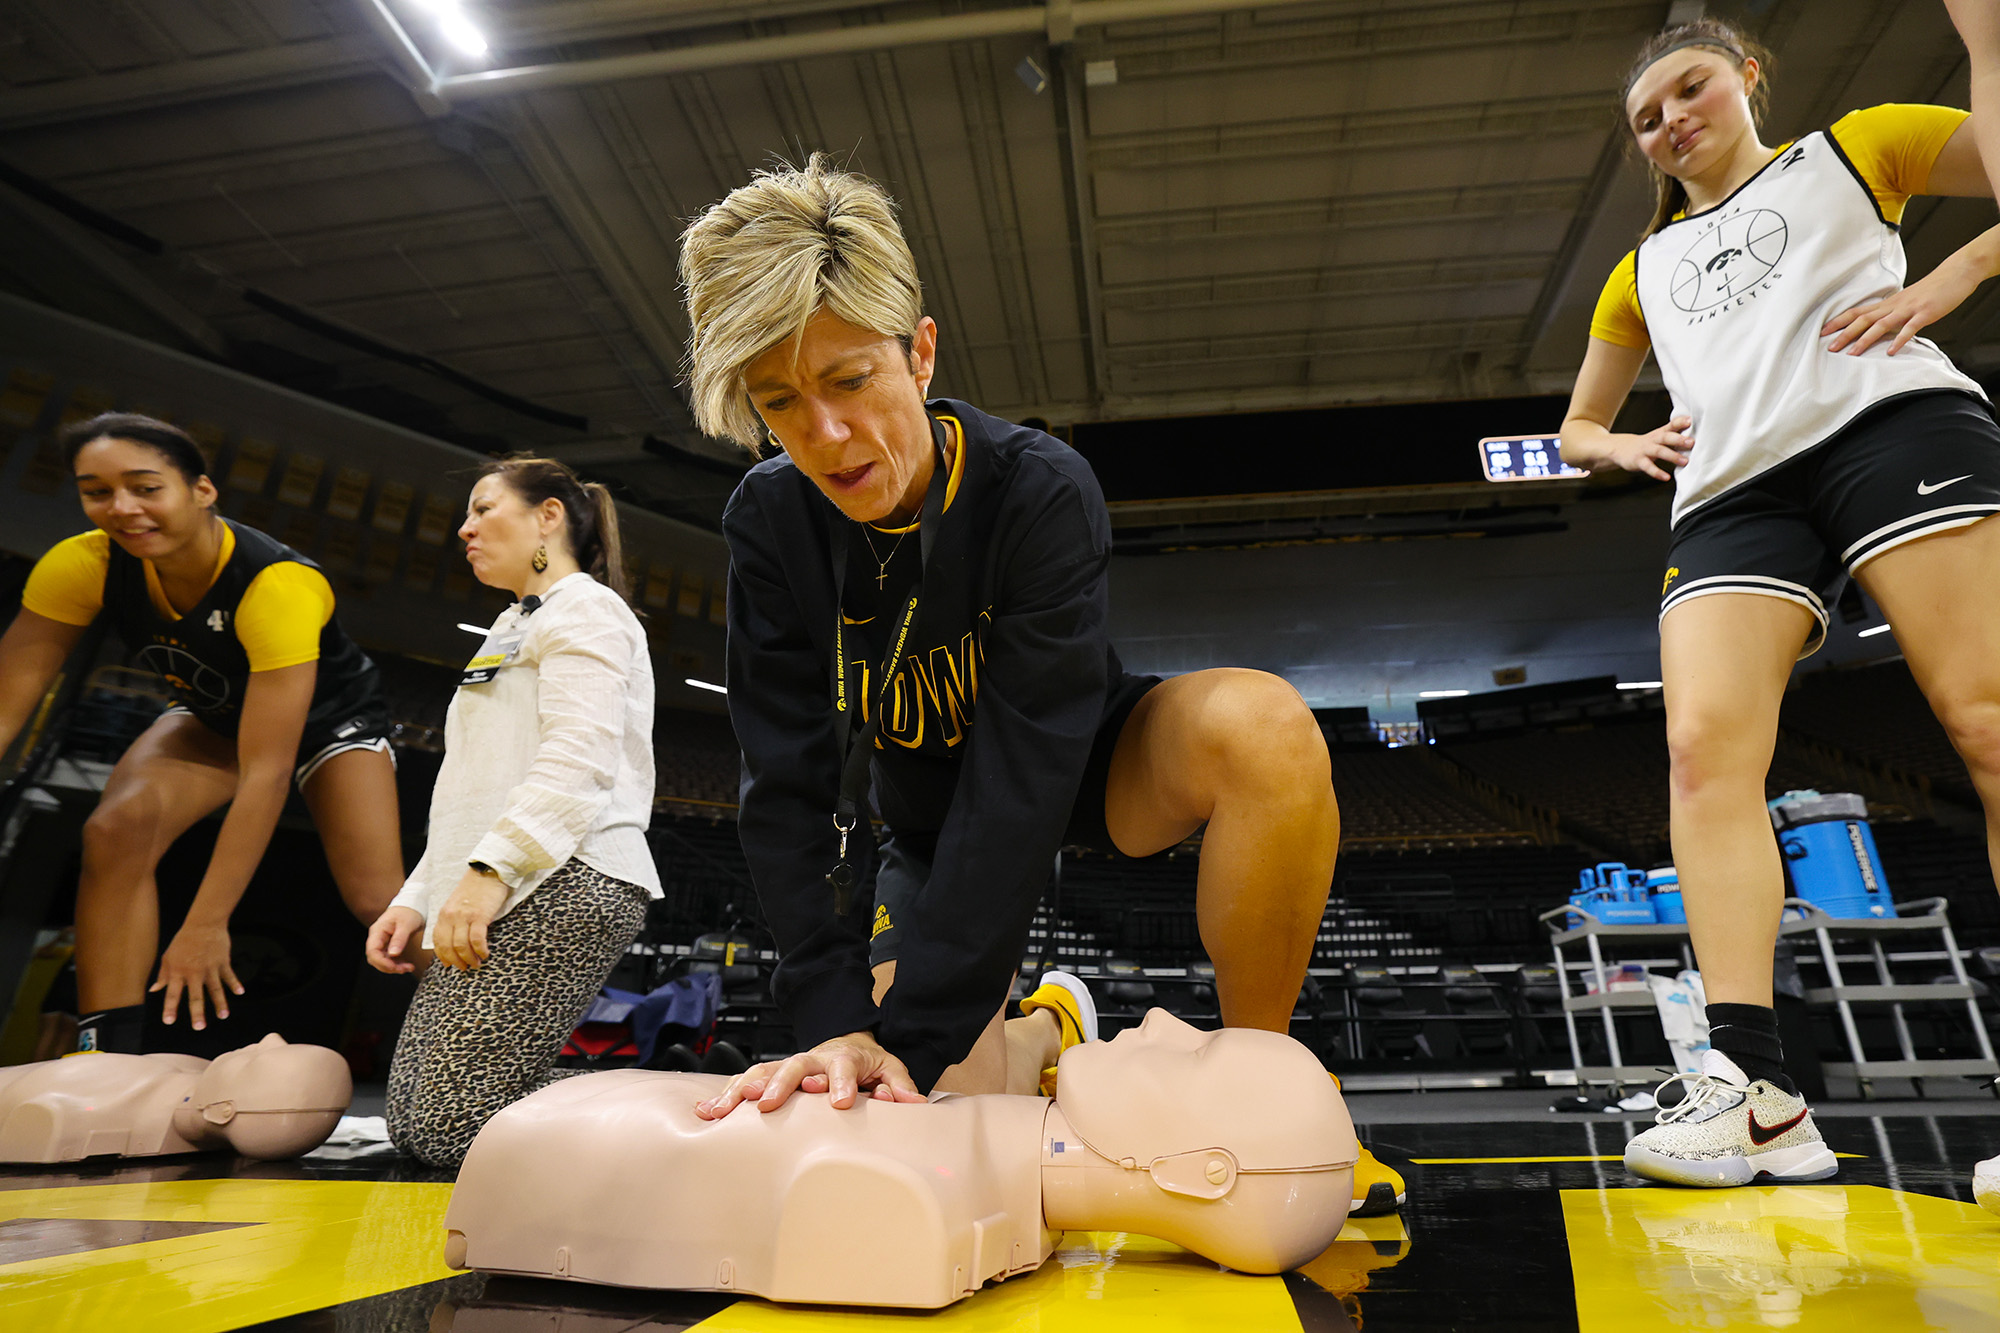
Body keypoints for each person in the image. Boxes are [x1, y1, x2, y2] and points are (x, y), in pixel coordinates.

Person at [676, 156, 1403, 1217]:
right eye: (778, 400)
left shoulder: (1037, 489)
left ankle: (1274, 1087)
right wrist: (839, 1022)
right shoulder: (766, 519)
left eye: (848, 381)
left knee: (1262, 726)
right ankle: (1052, 1026)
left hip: (1082, 765)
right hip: (923, 829)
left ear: (918, 353)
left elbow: (1021, 777)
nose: (823, 434)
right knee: (920, 1107)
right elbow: (785, 784)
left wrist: (910, 1031)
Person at [1557, 18, 2000, 1194]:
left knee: (1987, 721)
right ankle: (1755, 1093)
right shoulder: (1635, 269)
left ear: (1746, 76)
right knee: (1700, 754)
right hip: (1728, 490)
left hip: (1887, 422)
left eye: (1686, 89)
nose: (1668, 123)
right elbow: (1571, 427)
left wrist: (1960, 268)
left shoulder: (1859, 150)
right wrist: (1619, 445)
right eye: (1644, 118)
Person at [443, 1009, 1358, 1304]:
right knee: (960, 1061)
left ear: (1202, 1169)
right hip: (555, 1136)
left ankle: (1042, 1019)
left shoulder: (923, 1197)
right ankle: (1045, 1020)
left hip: (553, 1140)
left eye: (1197, 1051)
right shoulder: (957, 1170)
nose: (1161, 1020)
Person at [0, 413, 405, 1053]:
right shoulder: (81, 564)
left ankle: (501, 1043)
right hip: (213, 714)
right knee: (114, 830)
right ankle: (105, 1054)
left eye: (145, 487)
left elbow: (267, 771)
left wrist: (206, 923)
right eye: (97, 491)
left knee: (381, 904)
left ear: (202, 491)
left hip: (328, 726)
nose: (122, 508)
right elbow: (5, 710)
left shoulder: (279, 586)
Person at [365, 457, 659, 1169]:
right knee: (408, 1116)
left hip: (569, 877)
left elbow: (577, 758)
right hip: (505, 879)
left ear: (548, 516)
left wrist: (491, 870)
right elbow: (474, 785)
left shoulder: (587, 607)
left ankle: (680, 1135)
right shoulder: (510, 623)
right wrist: (416, 897)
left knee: (447, 1124)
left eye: (483, 508)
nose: (463, 527)